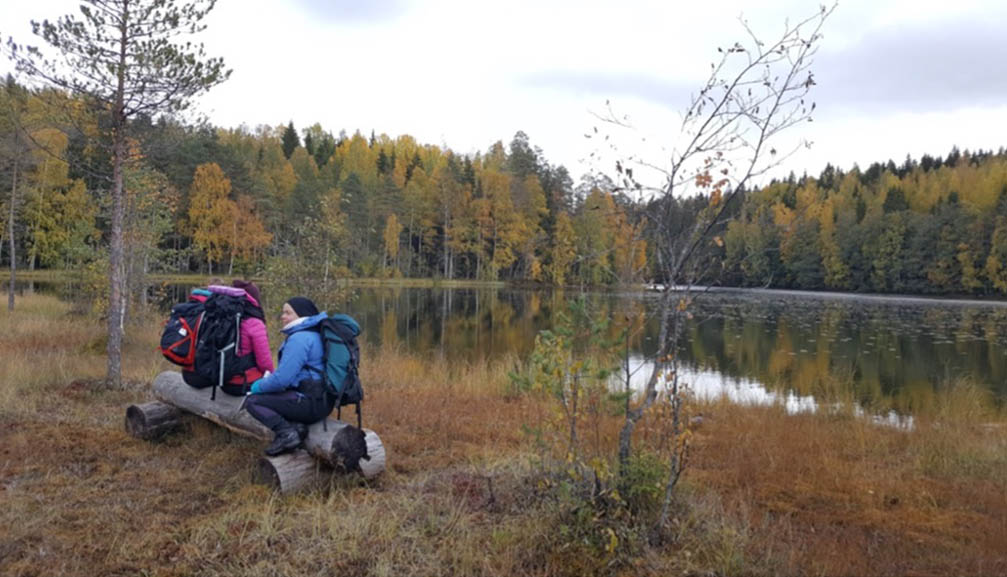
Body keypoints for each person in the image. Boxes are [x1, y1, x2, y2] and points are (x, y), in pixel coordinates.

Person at [245, 296, 354, 456]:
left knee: (253, 401)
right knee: (274, 396)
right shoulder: (314, 333)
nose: (283, 316)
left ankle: (287, 433)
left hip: (310, 403)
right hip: (323, 401)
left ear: (301, 315)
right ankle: (297, 428)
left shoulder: (299, 339)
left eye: (288, 313)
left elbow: (282, 380)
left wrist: (257, 386)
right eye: (283, 312)